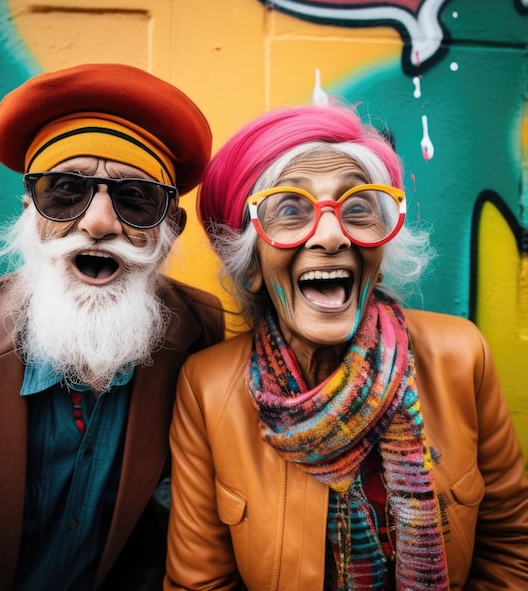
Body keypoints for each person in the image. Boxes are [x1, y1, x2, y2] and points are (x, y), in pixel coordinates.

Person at [164, 103, 528, 589]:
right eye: (290, 210)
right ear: (251, 265)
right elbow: (200, 583)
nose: (333, 236)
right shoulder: (206, 390)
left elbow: (511, 550)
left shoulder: (462, 356)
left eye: (357, 208)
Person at [0, 63, 224, 591]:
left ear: (170, 226)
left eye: (136, 198)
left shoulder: (201, 334)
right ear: (29, 206)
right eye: (66, 190)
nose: (97, 223)